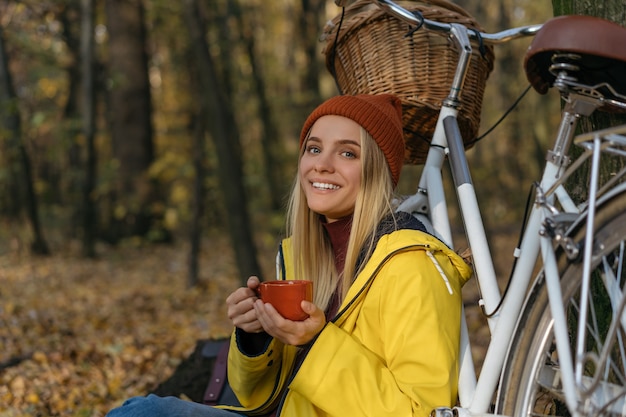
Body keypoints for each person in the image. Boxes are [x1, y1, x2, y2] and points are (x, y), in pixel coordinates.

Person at [106, 94, 472, 417]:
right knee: (141, 410)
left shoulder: (413, 264)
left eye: (348, 153)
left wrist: (315, 341)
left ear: (376, 171)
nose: (322, 165)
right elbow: (254, 398)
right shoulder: (302, 255)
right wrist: (254, 337)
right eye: (314, 148)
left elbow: (421, 411)